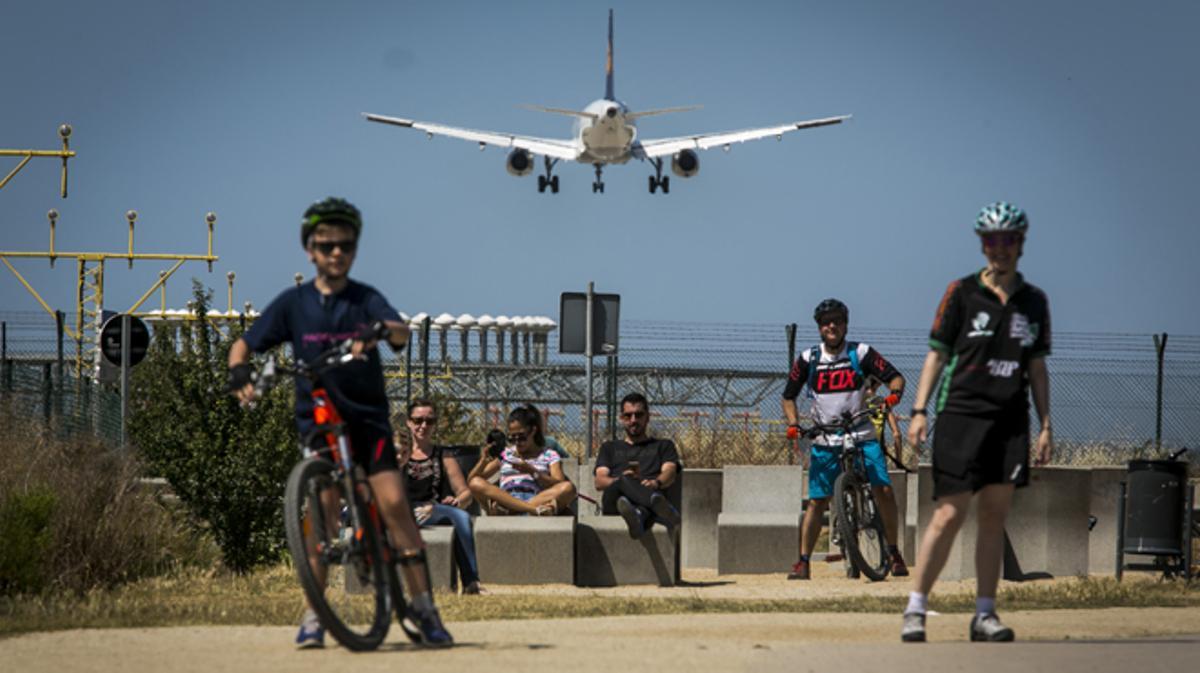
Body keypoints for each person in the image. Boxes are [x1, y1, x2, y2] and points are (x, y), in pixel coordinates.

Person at [227, 197, 451, 649]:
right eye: (326, 245)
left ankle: (424, 607)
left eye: (345, 245)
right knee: (321, 516)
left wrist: (384, 331)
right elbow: (244, 344)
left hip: (367, 421)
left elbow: (400, 329)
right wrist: (239, 373)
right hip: (318, 424)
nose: (336, 252)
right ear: (309, 249)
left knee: (393, 504)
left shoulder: (363, 299)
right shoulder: (294, 304)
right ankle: (314, 614)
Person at [900, 202, 1052, 643]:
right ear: (982, 245)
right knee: (949, 513)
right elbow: (937, 354)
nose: (999, 249)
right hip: (960, 415)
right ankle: (916, 608)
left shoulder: (1035, 302)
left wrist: (1045, 424)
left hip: (1009, 421)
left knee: (994, 515)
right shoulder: (961, 293)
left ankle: (985, 614)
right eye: (991, 240)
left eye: (1007, 240)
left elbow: (1038, 368)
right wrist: (919, 409)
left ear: (1021, 244)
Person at [782, 298, 908, 580]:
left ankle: (894, 552)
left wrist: (893, 395)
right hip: (825, 438)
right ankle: (803, 562)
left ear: (845, 324)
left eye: (837, 320)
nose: (832, 326)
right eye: (826, 322)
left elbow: (895, 377)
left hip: (861, 433)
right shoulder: (808, 359)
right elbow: (788, 396)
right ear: (819, 328)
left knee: (883, 490)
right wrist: (793, 423)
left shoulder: (861, 353)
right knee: (817, 501)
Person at [397, 399, 485, 595]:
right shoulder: (398, 453)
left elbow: (466, 492)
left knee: (461, 516)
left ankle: (471, 581)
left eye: (429, 421)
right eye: (418, 420)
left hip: (432, 510)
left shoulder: (444, 456)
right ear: (409, 423)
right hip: (402, 511)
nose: (423, 426)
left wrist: (458, 501)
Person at [594, 393, 682, 540]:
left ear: (647, 417)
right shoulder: (609, 447)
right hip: (616, 501)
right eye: (628, 416)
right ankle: (659, 506)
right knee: (624, 481)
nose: (633, 420)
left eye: (638, 415)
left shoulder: (663, 446)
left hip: (649, 494)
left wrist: (655, 483)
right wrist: (624, 482)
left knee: (641, 507)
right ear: (622, 419)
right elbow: (599, 481)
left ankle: (639, 515)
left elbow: (670, 472)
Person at [468, 404, 577, 515]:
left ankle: (511, 511)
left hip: (536, 498)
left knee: (568, 488)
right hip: (507, 498)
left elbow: (559, 483)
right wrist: (483, 461)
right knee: (475, 483)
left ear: (533, 431)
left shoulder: (549, 455)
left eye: (521, 437)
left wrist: (532, 471)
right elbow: (471, 481)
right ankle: (531, 510)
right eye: (512, 438)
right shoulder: (506, 454)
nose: (517, 442)